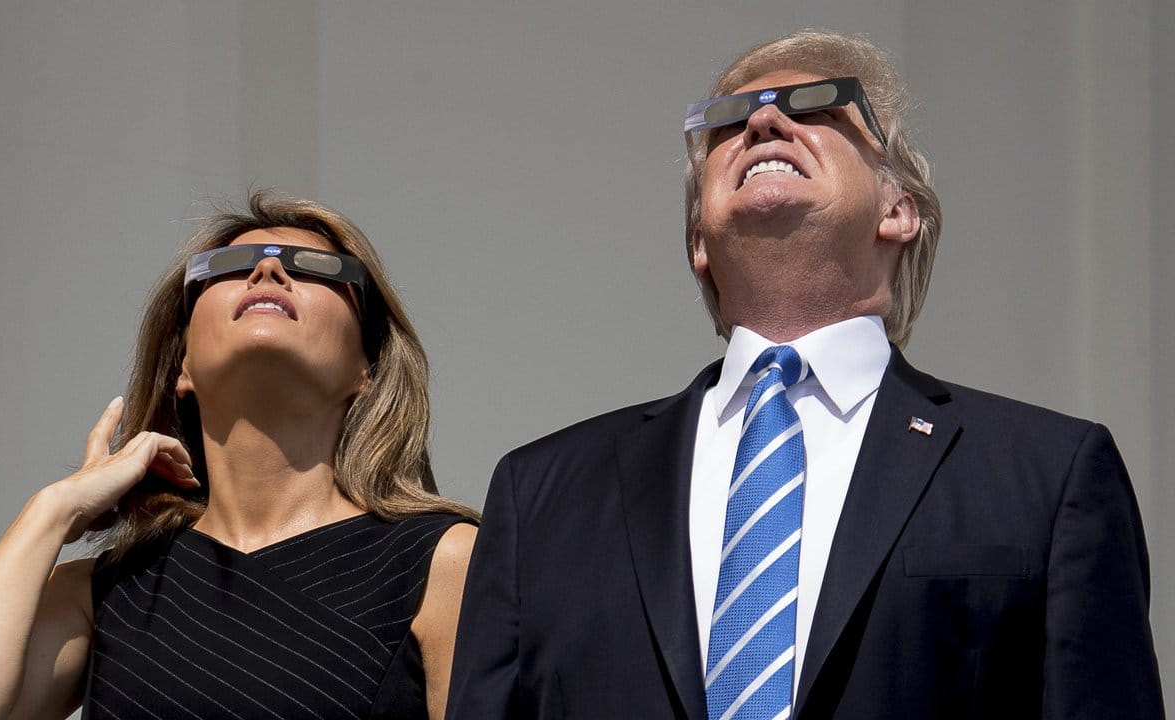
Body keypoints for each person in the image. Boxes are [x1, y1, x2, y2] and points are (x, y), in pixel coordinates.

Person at [447, 30, 1163, 719]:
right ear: (698, 242)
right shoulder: (542, 496)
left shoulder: (1047, 475)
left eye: (817, 105)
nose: (763, 122)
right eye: (730, 121)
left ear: (898, 211)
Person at [0, 192, 478, 720]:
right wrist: (55, 510)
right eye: (228, 267)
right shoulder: (104, 591)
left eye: (315, 268)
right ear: (182, 366)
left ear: (366, 369)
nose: (268, 271)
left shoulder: (445, 562)